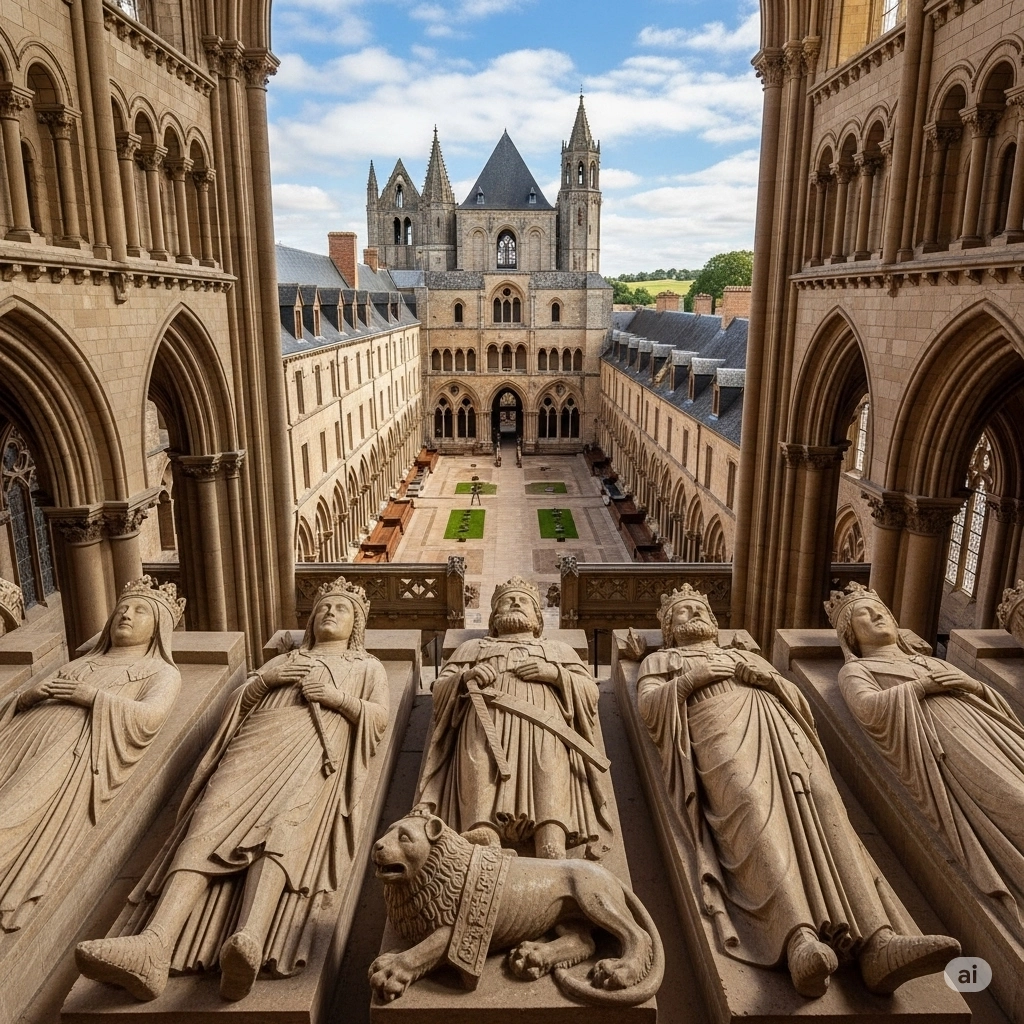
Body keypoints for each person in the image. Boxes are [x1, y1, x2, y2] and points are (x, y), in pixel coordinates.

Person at [635, 584, 958, 997]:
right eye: (681, 614)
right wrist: (689, 680)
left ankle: (879, 942)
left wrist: (770, 680)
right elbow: (649, 706)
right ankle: (797, 938)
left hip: (781, 732)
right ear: (669, 630)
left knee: (830, 817)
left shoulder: (744, 654)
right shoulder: (664, 659)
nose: (692, 616)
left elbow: (798, 701)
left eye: (699, 609)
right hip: (717, 731)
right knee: (752, 810)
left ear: (714, 622)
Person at [76, 577, 389, 1002]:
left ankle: (251, 937)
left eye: (341, 609)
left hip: (310, 751)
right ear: (311, 620)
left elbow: (379, 717)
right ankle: (155, 941)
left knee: (282, 831)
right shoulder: (286, 658)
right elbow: (239, 702)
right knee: (205, 825)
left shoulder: (366, 666)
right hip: (254, 742)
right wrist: (267, 679)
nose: (330, 613)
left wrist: (335, 697)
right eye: (323, 608)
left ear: (356, 625)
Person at [828, 581, 1024, 927]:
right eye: (864, 614)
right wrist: (922, 687)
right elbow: (867, 707)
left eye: (882, 612)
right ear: (851, 634)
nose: (878, 616)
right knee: (1012, 799)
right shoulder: (858, 669)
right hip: (944, 738)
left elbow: (989, 698)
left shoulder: (926, 658)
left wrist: (973, 685)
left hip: (985, 726)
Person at [0, 576, 183, 933]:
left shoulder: (161, 672)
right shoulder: (82, 661)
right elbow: (18, 703)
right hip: (21, 739)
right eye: (122, 609)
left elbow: (151, 717)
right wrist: (26, 696)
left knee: (9, 815)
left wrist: (91, 697)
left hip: (70, 751)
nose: (126, 615)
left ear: (159, 627)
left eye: (140, 611)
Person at [416, 575, 612, 859]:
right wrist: (466, 677)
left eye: (524, 602)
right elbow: (439, 689)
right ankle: (481, 830)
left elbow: (590, 693)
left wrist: (555, 674)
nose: (515, 603)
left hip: (543, 718)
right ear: (494, 618)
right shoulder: (472, 648)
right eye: (507, 602)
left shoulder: (558, 650)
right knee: (478, 758)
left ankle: (551, 835)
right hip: (484, 716)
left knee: (548, 763)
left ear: (538, 618)